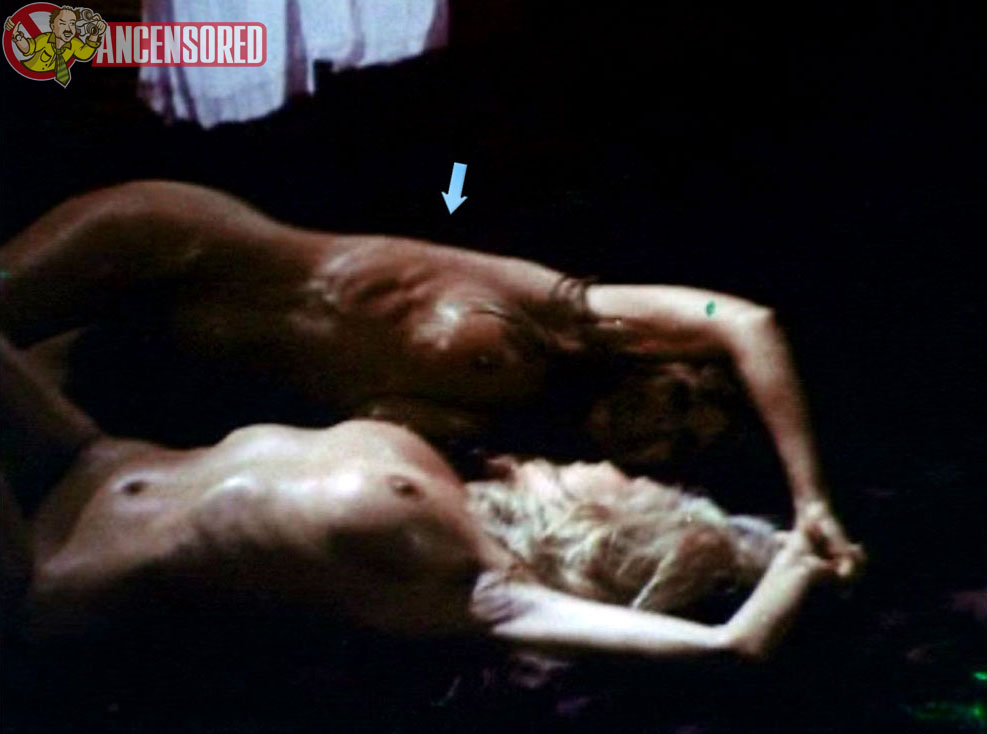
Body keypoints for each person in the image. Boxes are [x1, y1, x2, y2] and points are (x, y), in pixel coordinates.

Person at [0, 180, 863, 577]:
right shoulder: (569, 312)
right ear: (660, 358)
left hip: (146, 347)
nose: (657, 427)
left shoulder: (502, 446)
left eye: (677, 444)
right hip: (176, 242)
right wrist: (810, 499)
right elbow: (746, 322)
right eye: (678, 397)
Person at [1, 333, 837, 664]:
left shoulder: (477, 581)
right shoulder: (458, 469)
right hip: (89, 457)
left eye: (644, 482)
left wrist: (796, 553)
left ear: (619, 527)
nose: (614, 466)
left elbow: (732, 644)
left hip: (47, 571)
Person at [4, 6, 106, 87]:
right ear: (53, 27)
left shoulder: (74, 43)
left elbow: (85, 54)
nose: (68, 29)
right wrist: (16, 35)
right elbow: (27, 48)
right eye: (62, 23)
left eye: (72, 24)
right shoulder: (45, 39)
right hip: (26, 79)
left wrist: (95, 33)